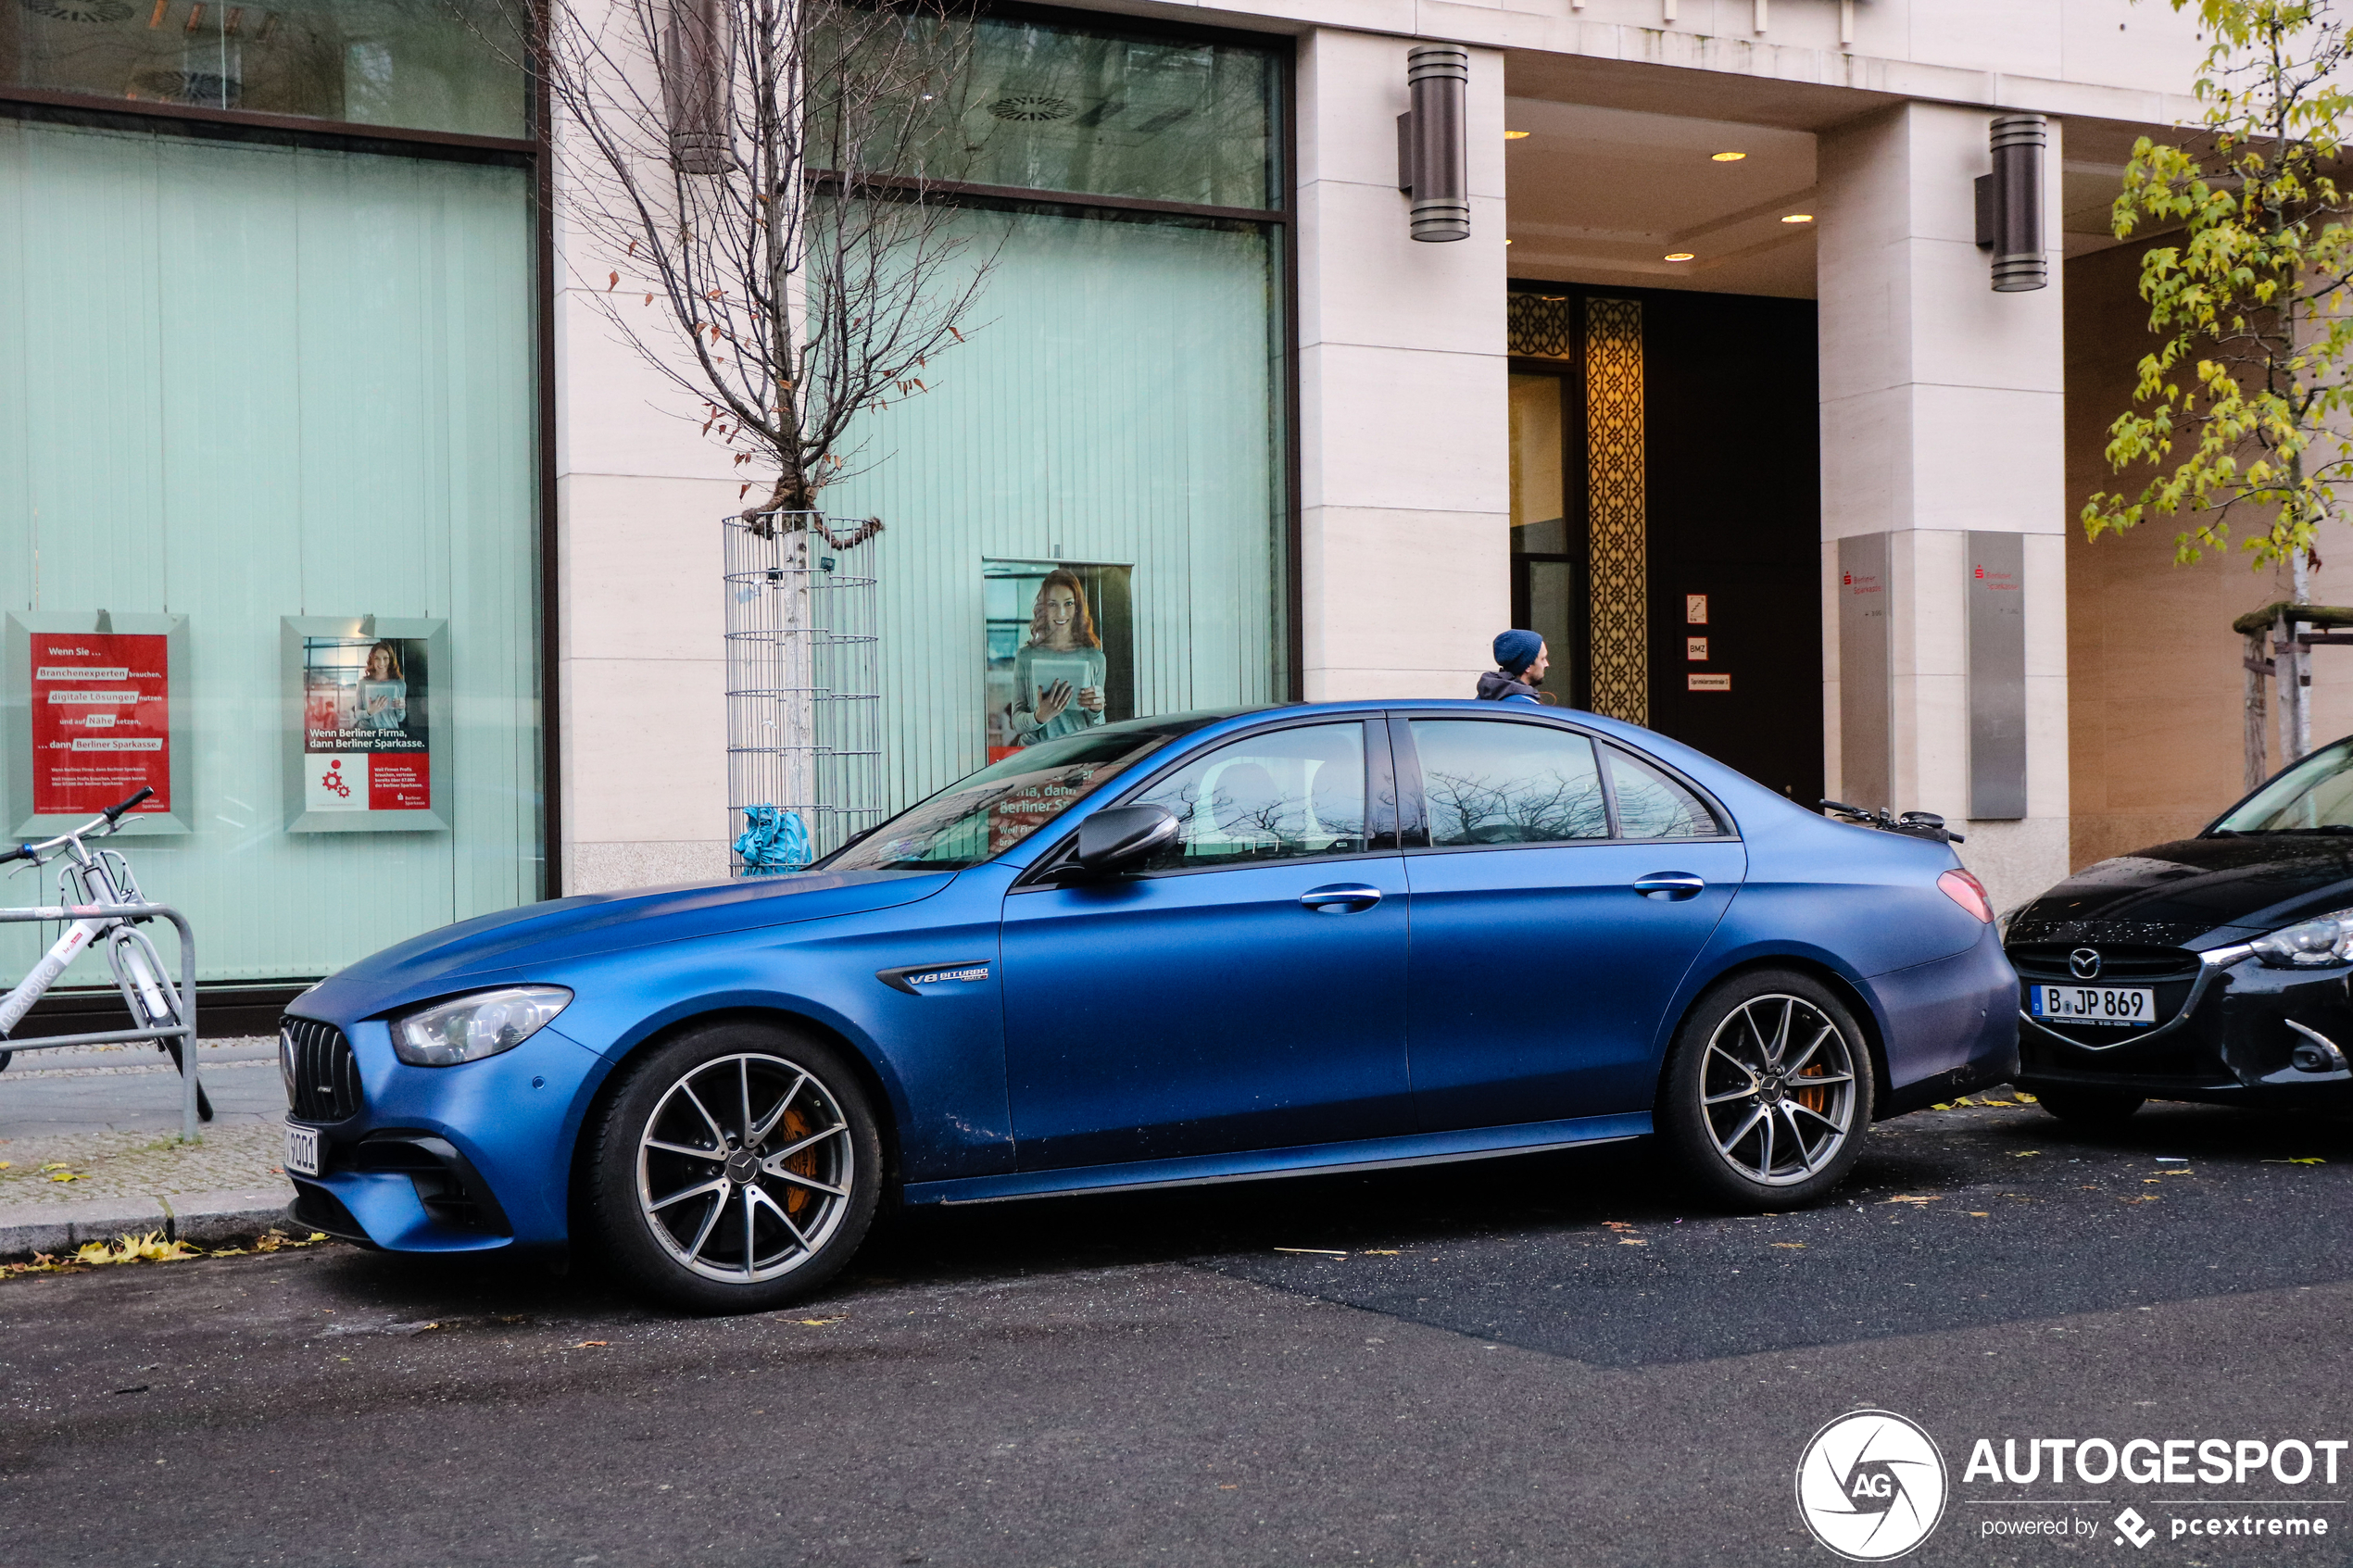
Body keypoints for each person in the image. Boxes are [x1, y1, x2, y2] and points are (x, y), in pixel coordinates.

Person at [1007, 569, 1108, 746]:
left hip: (1076, 755)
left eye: (1068, 603)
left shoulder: (1095, 658)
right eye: (1053, 604)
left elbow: (1098, 727)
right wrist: (1040, 716)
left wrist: (1096, 709)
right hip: (1035, 757)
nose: (1061, 613)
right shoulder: (1026, 657)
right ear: (1044, 608)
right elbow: (1016, 722)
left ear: (1077, 608)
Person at [1477, 629, 1549, 704]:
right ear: (1528, 666)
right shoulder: (1526, 706)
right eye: (1542, 659)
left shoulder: (1485, 696)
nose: (1546, 664)